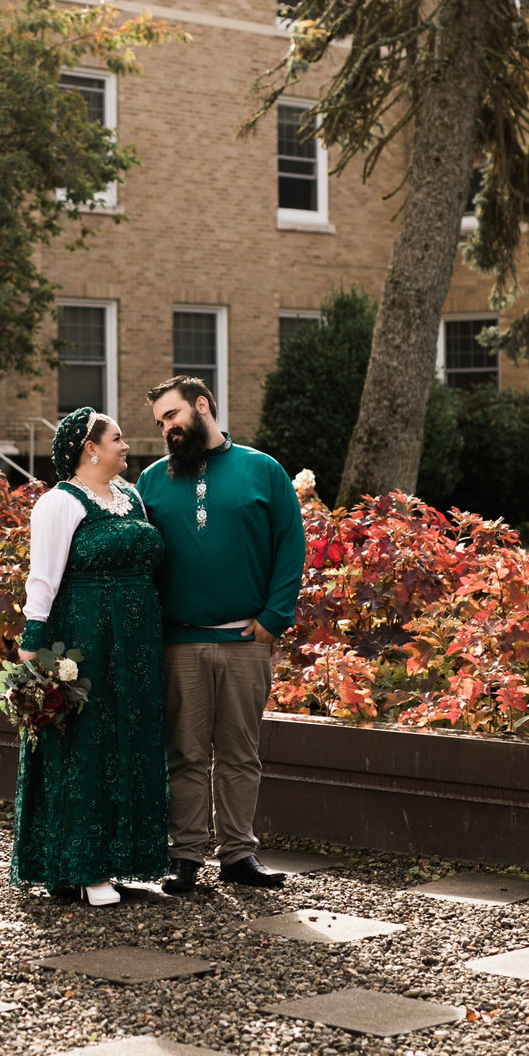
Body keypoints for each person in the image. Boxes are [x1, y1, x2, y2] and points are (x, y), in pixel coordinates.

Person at [137, 375, 305, 893]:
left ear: (202, 406)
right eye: (160, 422)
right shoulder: (152, 481)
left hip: (245, 640)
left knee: (239, 751)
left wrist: (272, 620)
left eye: (172, 416)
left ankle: (238, 856)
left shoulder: (263, 470)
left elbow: (290, 546)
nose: (166, 428)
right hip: (179, 641)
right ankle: (184, 857)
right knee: (184, 753)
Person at [10, 406, 169, 905]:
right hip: (85, 637)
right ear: (90, 449)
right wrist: (34, 643)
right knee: (86, 744)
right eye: (117, 438)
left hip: (137, 638)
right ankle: (82, 867)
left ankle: (122, 856)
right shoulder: (59, 503)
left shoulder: (132, 495)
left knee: (131, 738)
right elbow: (44, 576)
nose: (126, 445)